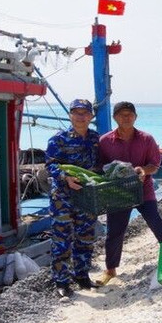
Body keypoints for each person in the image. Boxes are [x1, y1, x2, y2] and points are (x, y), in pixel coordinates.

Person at [95, 101, 162, 286]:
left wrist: (144, 170)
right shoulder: (104, 141)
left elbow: (155, 165)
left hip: (143, 190)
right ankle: (110, 269)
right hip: (118, 193)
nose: (126, 117)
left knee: (156, 221)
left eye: (130, 114)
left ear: (135, 117)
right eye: (122, 114)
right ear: (115, 117)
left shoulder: (147, 139)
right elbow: (99, 167)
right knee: (115, 231)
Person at [45, 99, 101, 298]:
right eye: (76, 112)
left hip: (87, 196)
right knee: (62, 239)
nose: (80, 116)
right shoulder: (58, 139)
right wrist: (65, 178)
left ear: (91, 116)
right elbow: (50, 166)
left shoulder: (95, 138)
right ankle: (61, 281)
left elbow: (100, 163)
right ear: (70, 115)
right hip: (63, 197)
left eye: (84, 112)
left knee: (86, 237)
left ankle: (82, 275)